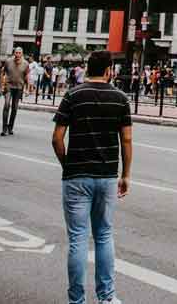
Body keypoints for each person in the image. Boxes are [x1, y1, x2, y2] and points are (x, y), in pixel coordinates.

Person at [53, 49, 133, 304]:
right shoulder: (120, 98)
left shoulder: (73, 95)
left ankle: (76, 300)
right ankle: (107, 297)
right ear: (109, 70)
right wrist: (126, 174)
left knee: (77, 238)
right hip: (107, 175)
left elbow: (56, 138)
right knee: (104, 235)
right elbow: (127, 139)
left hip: (76, 175)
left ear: (88, 68)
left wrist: (68, 165)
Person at [0, 46, 28, 137]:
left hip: (19, 87)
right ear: (14, 53)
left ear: (22, 54)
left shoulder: (26, 64)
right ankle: (4, 128)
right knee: (7, 105)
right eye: (16, 52)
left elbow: (27, 76)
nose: (18, 55)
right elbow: (2, 73)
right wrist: (1, 86)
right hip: (9, 86)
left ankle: (10, 127)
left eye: (20, 53)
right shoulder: (8, 61)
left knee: (15, 107)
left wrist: (27, 89)